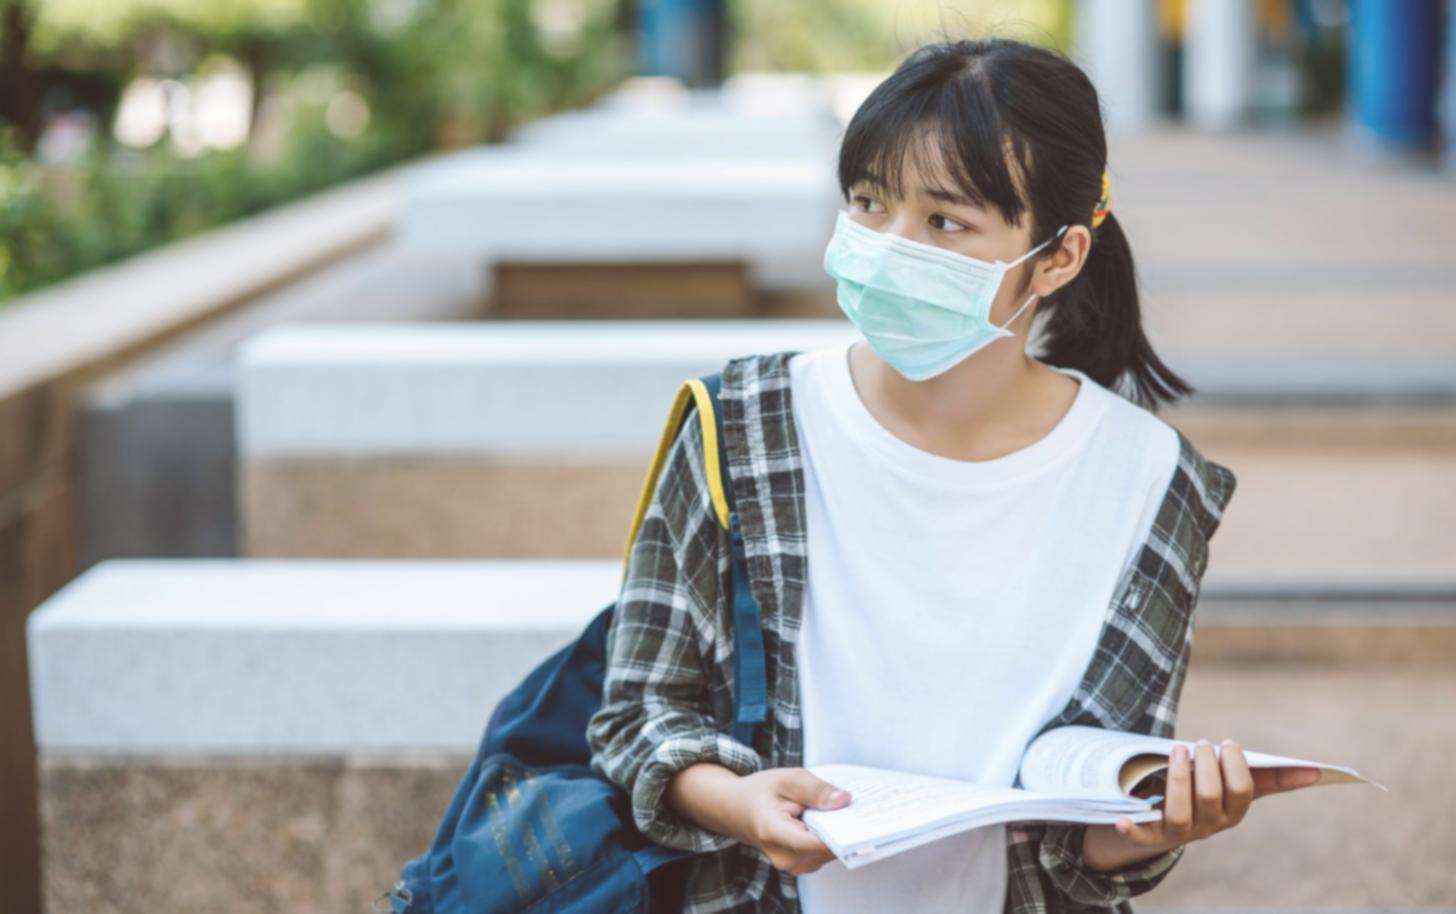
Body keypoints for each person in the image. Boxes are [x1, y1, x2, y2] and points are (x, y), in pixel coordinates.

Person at [587, 36, 1321, 914]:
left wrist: (1152, 829)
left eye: (944, 221)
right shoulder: (738, 427)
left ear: (1059, 257)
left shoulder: (1152, 484)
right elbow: (636, 718)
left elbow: (1085, 830)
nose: (887, 246)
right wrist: (737, 802)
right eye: (867, 202)